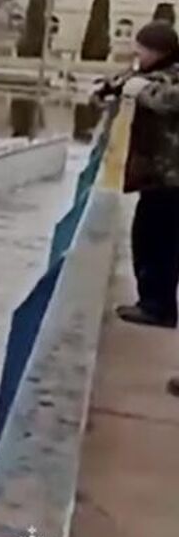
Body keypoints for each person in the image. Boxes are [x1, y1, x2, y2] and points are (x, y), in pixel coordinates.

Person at [102, 22, 179, 329]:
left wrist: (141, 90)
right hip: (160, 174)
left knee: (160, 241)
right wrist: (112, 87)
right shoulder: (154, 72)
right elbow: (129, 81)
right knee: (148, 237)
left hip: (172, 177)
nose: (137, 54)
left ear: (157, 51)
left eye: (142, 49)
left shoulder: (172, 75)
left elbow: (167, 99)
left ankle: (158, 308)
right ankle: (152, 302)